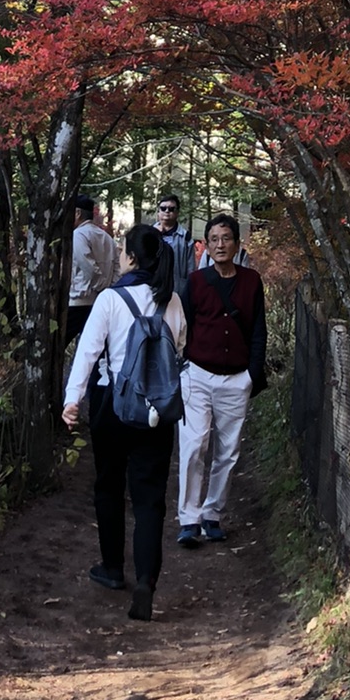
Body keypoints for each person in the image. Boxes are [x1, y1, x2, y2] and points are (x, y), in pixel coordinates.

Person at [63, 223, 188, 622]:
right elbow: (180, 348)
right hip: (156, 409)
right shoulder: (171, 301)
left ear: (131, 256)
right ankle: (146, 582)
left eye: (122, 250)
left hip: (112, 406)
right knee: (151, 498)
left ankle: (113, 568)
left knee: (109, 486)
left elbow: (87, 352)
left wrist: (72, 400)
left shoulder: (109, 300)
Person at [177, 212, 266, 546]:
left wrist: (252, 375)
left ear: (237, 243)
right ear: (206, 245)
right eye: (213, 239)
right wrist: (182, 364)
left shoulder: (251, 281)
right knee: (193, 445)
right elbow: (182, 325)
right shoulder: (196, 283)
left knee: (228, 451)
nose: (219, 244)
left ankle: (212, 513)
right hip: (197, 375)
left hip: (236, 378)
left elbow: (259, 330)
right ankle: (188, 519)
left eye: (226, 238)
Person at [68, 193, 118, 341]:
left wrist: (100, 286)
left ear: (77, 213)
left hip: (78, 301)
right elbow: (117, 270)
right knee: (93, 347)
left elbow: (89, 267)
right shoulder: (107, 237)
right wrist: (107, 291)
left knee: (56, 343)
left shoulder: (78, 235)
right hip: (99, 303)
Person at [153, 191, 195, 298]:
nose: (167, 211)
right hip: (153, 289)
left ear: (177, 213)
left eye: (171, 209)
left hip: (177, 291)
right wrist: (155, 235)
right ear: (158, 212)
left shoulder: (185, 237)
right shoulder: (149, 235)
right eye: (163, 208)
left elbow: (191, 268)